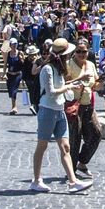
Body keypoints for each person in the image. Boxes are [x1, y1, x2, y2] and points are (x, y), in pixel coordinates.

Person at [30, 38, 91, 193]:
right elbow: (51, 92)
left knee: (65, 147)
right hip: (47, 110)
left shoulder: (59, 70)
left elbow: (61, 88)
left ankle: (73, 182)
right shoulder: (47, 69)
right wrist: (68, 86)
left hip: (59, 109)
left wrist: (70, 86)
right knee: (42, 146)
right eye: (68, 54)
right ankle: (36, 180)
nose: (70, 56)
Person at [65, 41, 101, 179]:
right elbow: (64, 83)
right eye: (79, 51)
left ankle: (83, 161)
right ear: (75, 52)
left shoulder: (91, 65)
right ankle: (71, 171)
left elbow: (95, 83)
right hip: (75, 104)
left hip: (88, 105)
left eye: (84, 51)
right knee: (75, 138)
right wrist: (80, 79)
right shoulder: (69, 65)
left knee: (97, 133)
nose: (81, 54)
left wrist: (100, 83)